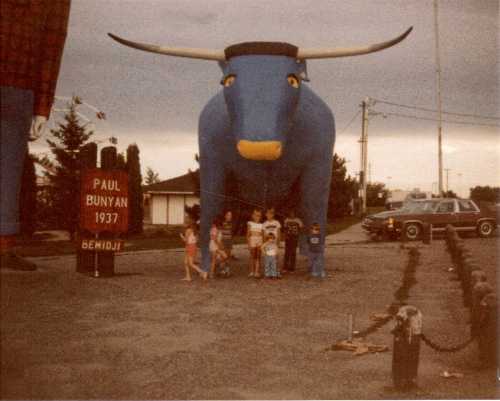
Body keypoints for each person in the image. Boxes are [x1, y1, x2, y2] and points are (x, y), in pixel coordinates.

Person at [0, 0, 71, 270]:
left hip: (20, 90)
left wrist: (42, 107)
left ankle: (4, 247)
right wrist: (42, 106)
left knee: (9, 171)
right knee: (9, 170)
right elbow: (54, 45)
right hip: (22, 89)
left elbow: (53, 45)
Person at [246, 209, 263, 278]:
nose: (257, 217)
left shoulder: (262, 224)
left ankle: (257, 272)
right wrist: (248, 244)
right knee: (252, 256)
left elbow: (262, 234)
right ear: (253, 216)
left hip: (259, 240)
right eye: (256, 215)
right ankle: (252, 271)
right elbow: (248, 234)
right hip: (252, 239)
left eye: (259, 216)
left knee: (258, 256)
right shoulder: (250, 223)